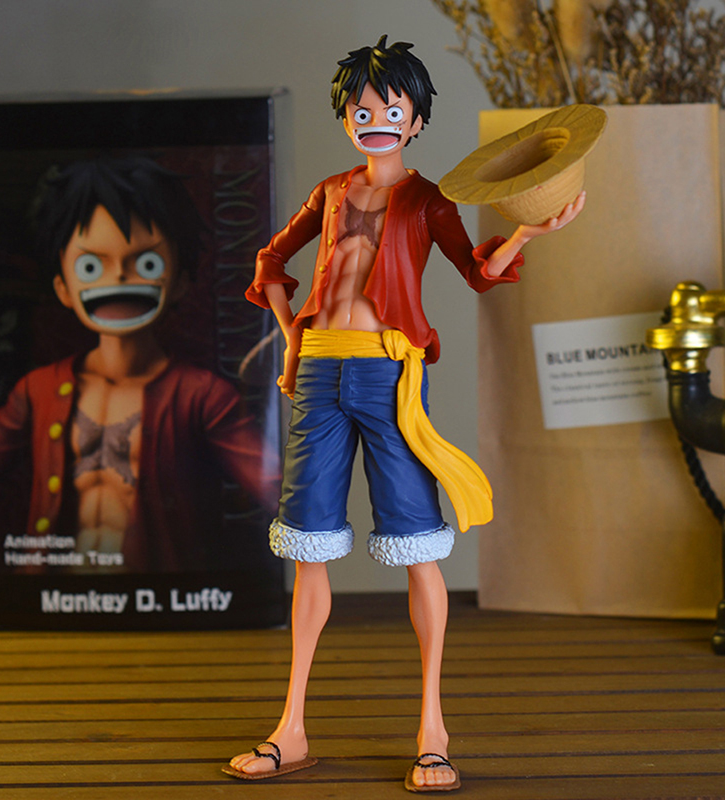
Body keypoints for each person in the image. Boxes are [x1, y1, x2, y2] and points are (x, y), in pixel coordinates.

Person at [226, 37, 584, 791]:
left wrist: (528, 231)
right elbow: (270, 263)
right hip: (320, 374)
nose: (377, 121)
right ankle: (291, 728)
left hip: (390, 374)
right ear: (346, 117)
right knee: (308, 545)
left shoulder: (428, 200)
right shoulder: (329, 192)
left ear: (417, 120)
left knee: (419, 544)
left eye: (392, 110)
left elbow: (477, 273)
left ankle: (433, 730)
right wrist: (293, 340)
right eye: (363, 110)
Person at [0, 156, 278, 573]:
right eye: (91, 266)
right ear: (62, 287)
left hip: (168, 598)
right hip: (53, 594)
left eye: (146, 263)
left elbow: (278, 489)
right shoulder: (37, 389)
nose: (119, 277)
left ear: (180, 281)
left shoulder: (202, 396)